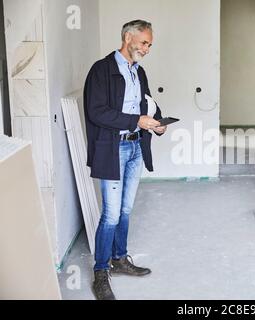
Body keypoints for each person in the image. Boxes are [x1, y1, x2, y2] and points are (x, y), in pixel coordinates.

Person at [83, 19, 167, 300]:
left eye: (150, 44)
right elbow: (97, 112)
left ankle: (119, 259)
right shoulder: (102, 70)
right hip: (113, 149)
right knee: (110, 214)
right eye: (144, 42)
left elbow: (147, 104)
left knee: (126, 209)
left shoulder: (138, 72)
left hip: (135, 149)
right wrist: (136, 120)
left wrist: (156, 122)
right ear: (128, 38)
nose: (147, 48)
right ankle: (100, 272)